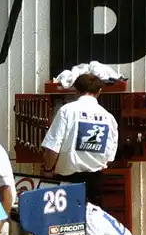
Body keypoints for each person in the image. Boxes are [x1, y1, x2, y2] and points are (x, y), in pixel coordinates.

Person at [40, 73, 119, 208]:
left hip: (68, 181)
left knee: (67, 225)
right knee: (92, 225)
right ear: (99, 91)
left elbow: (52, 148)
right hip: (96, 182)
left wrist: (47, 170)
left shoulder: (67, 111)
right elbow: (110, 157)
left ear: (76, 90)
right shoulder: (108, 117)